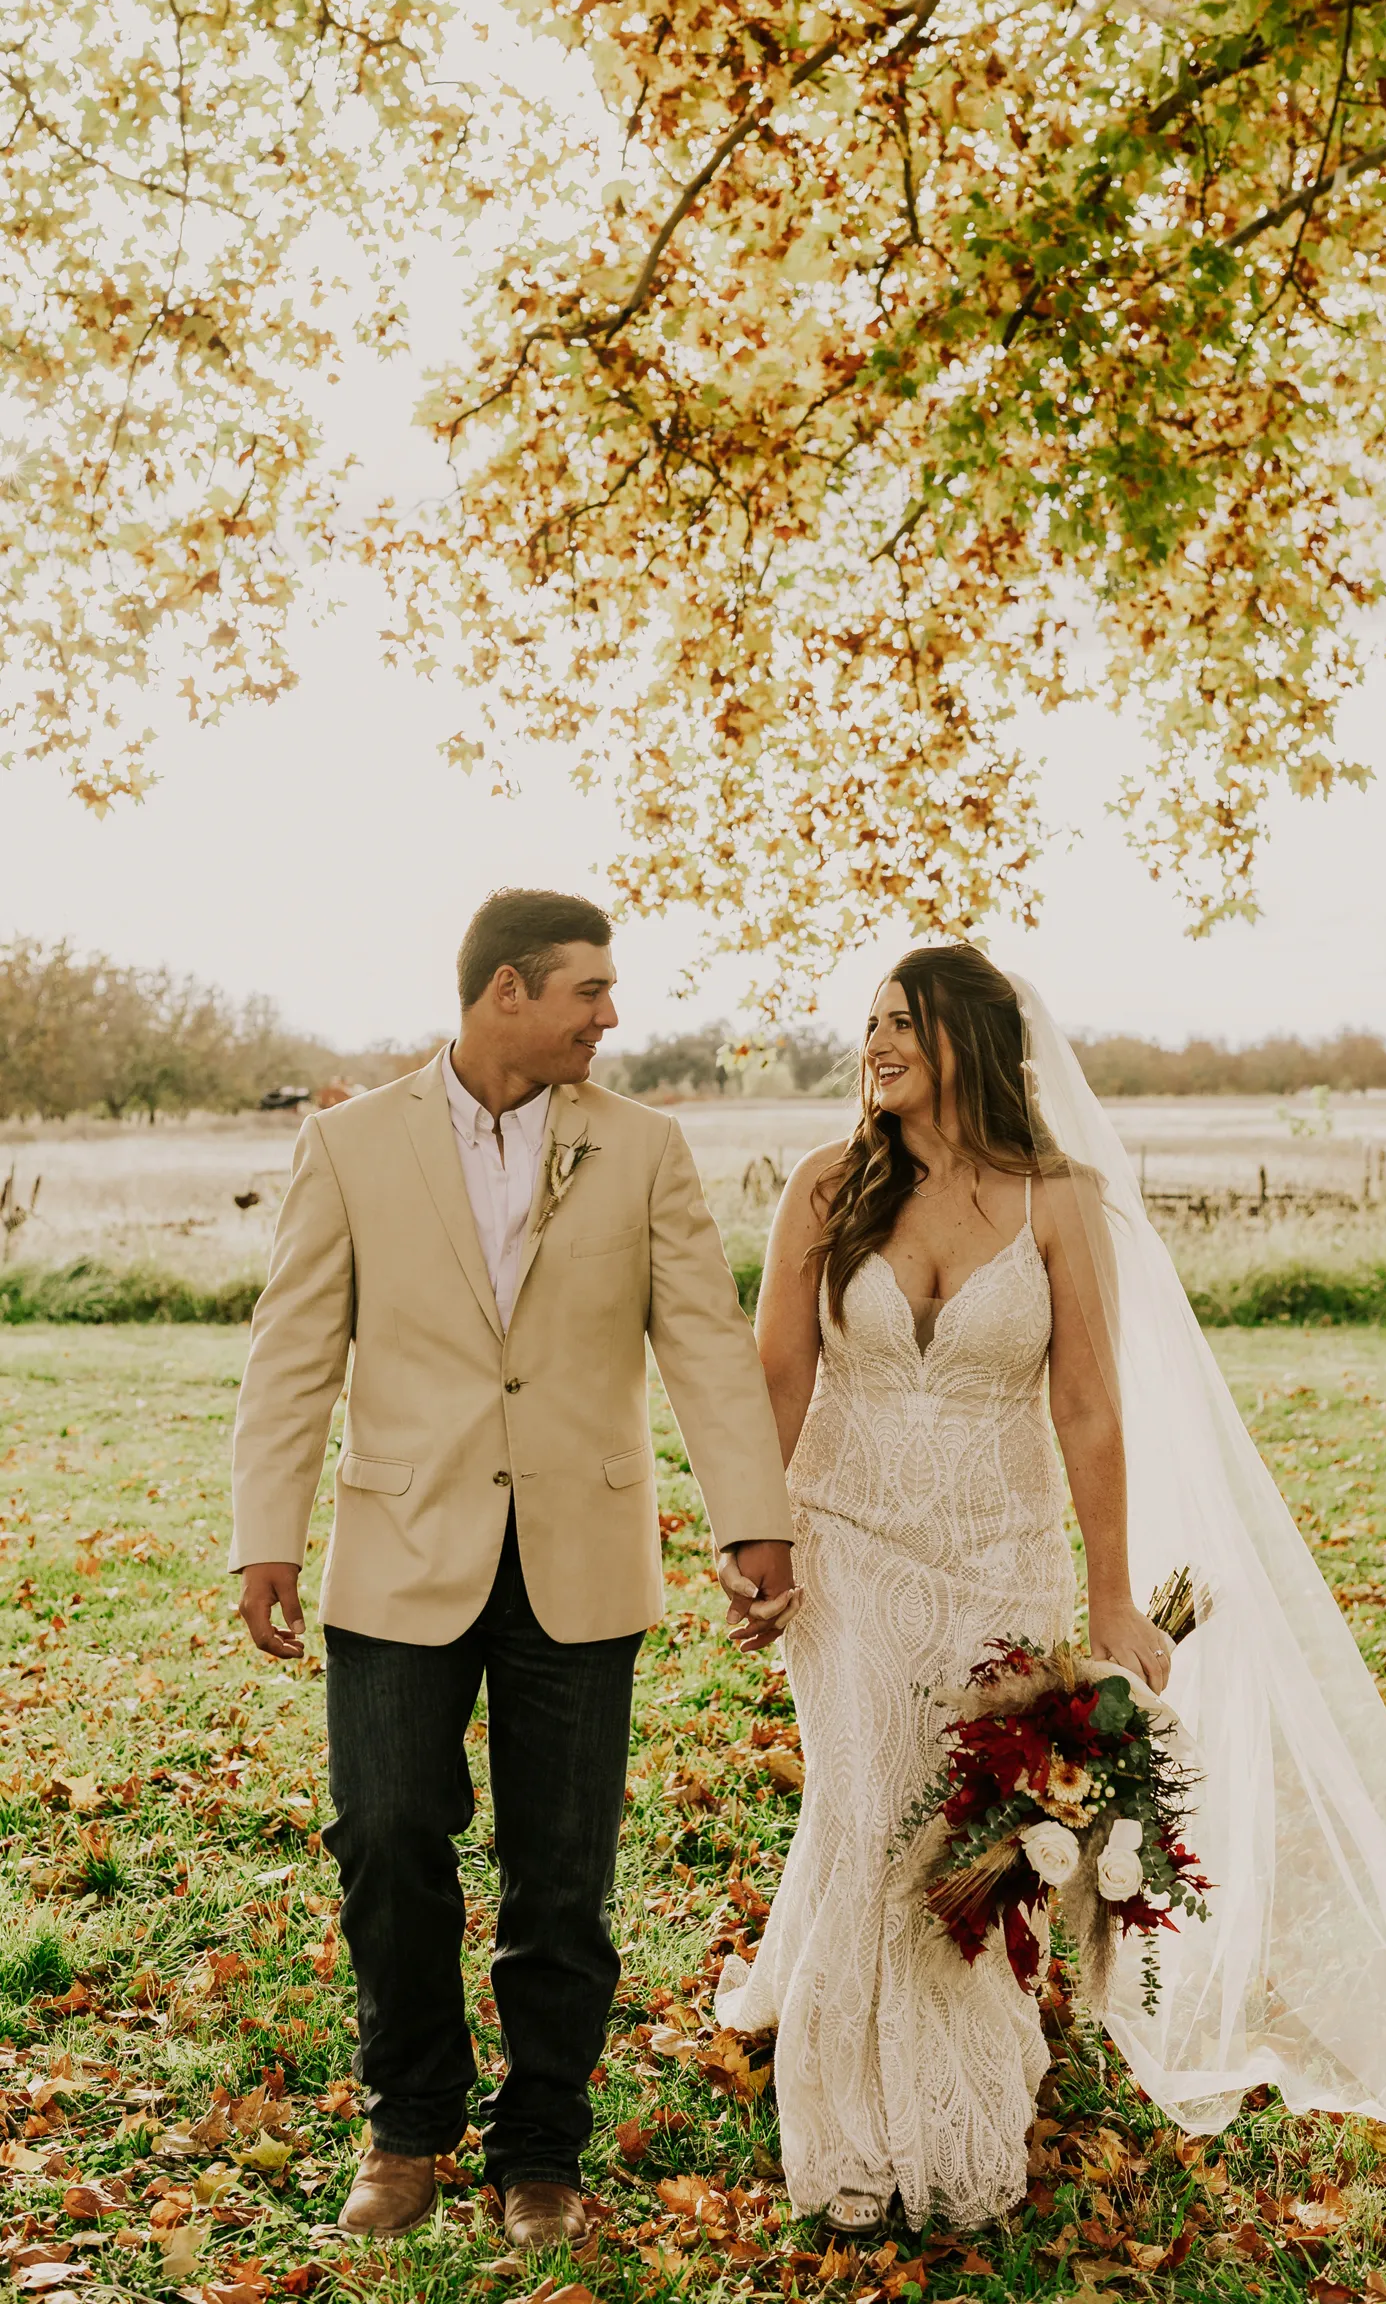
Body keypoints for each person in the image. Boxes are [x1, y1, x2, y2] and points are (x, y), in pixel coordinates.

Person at [718, 944, 1386, 2232]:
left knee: (956, 1826)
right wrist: (759, 1538)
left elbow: (1087, 1405)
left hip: (997, 1556)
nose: (875, 1043)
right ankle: (852, 2131)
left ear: (976, 1039)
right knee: (866, 1814)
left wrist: (1113, 1595)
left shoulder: (1059, 1200)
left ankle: (960, 2094)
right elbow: (777, 1380)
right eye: (868, 1024)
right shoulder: (822, 1186)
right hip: (847, 1546)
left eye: (903, 1022)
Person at [230, 888, 798, 2249]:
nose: (613, 1014)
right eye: (588, 991)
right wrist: (267, 1532)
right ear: (506, 994)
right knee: (384, 1839)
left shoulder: (646, 1148)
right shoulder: (350, 1146)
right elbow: (295, 1346)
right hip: (398, 1544)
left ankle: (540, 2146)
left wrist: (751, 1516)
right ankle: (407, 2125)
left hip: (581, 1556)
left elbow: (705, 1345)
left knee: (561, 1873)